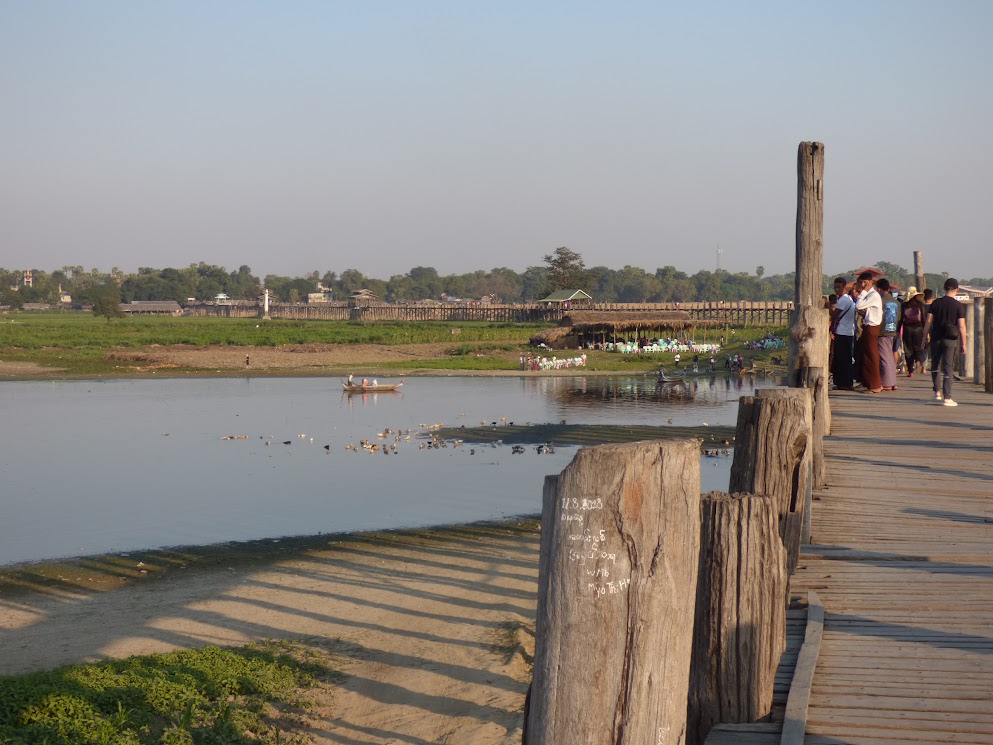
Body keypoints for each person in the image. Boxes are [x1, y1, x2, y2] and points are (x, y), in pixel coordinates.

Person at [923, 277, 967, 406]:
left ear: (944, 289)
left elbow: (928, 322)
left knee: (935, 365)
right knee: (948, 367)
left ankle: (937, 393)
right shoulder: (958, 305)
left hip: (936, 338)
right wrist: (964, 343)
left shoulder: (935, 303)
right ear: (957, 290)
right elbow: (961, 326)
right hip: (950, 339)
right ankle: (947, 397)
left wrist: (924, 337)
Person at [855, 271, 883, 393]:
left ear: (870, 282)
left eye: (864, 283)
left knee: (871, 355)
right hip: (868, 325)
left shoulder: (872, 295)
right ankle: (868, 382)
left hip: (872, 327)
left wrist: (864, 292)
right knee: (867, 355)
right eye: (861, 282)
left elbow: (858, 305)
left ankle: (875, 385)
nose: (862, 285)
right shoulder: (870, 295)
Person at [830, 277, 857, 390]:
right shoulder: (848, 299)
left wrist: (827, 306)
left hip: (843, 332)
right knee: (844, 359)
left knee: (842, 359)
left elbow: (834, 315)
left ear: (844, 287)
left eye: (839, 287)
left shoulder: (843, 300)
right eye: (835, 287)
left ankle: (844, 383)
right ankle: (844, 382)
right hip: (847, 331)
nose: (837, 290)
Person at [875, 278, 901, 390]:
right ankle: (892, 381)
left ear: (879, 289)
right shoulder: (896, 302)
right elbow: (899, 317)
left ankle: (886, 382)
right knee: (890, 356)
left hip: (882, 331)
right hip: (892, 330)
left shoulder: (880, 301)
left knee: (884, 358)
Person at [900, 287, 926, 377]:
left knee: (908, 350)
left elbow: (900, 319)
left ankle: (910, 371)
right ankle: (919, 360)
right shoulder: (920, 304)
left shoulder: (904, 305)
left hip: (907, 328)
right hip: (919, 328)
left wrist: (898, 330)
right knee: (918, 348)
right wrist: (926, 331)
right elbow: (924, 319)